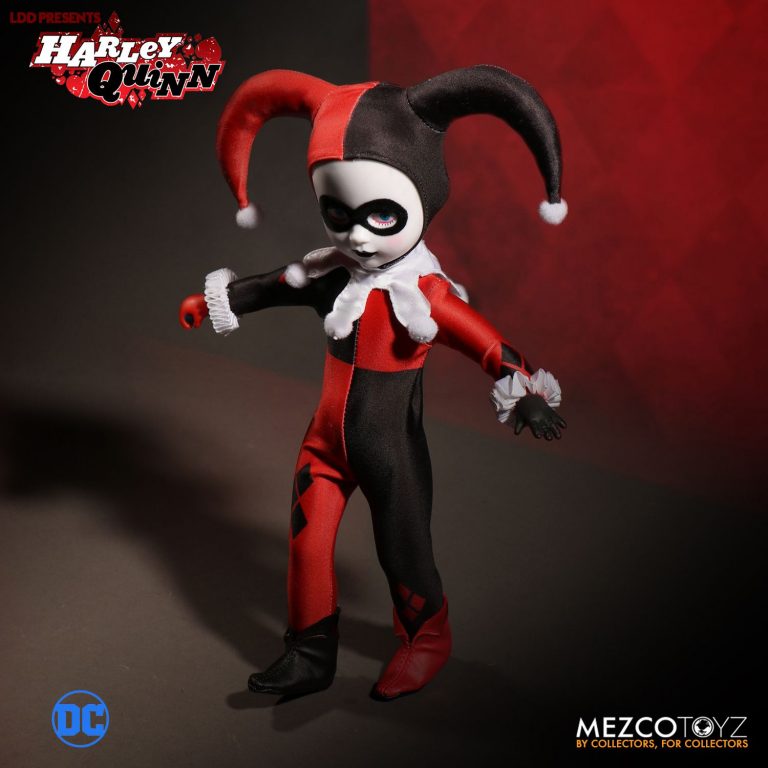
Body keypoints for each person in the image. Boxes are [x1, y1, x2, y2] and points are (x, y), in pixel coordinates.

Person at [180, 66, 567, 701]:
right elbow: (270, 287)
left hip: (393, 454)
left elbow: (490, 346)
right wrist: (213, 301)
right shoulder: (331, 275)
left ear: (424, 200)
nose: (357, 234)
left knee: (403, 553)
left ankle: (427, 639)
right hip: (323, 447)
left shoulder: (426, 296)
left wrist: (524, 392)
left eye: (382, 215)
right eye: (338, 213)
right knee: (307, 543)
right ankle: (309, 652)